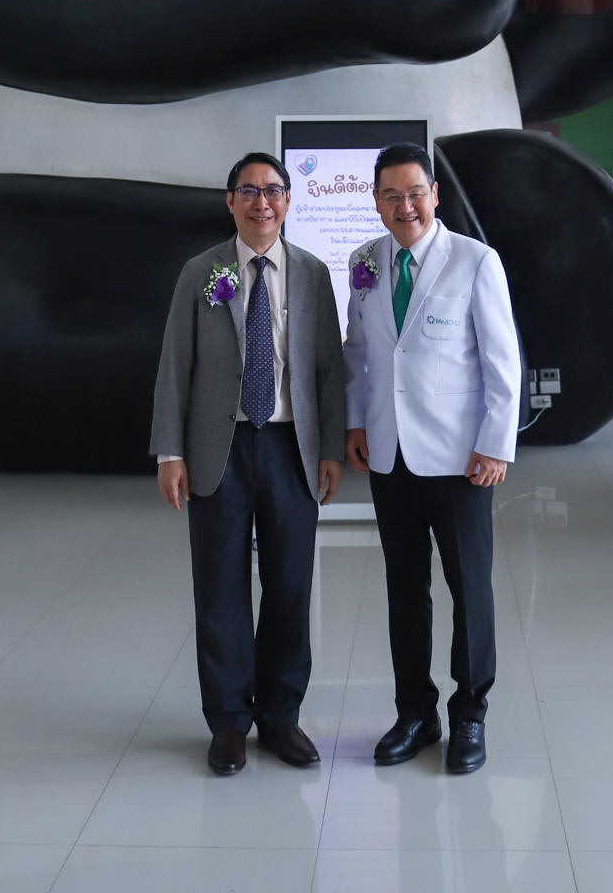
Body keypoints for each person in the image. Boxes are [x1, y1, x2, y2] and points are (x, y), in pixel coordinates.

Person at [151, 152, 345, 776]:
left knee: (290, 587)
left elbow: (328, 371)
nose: (262, 202)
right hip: (220, 448)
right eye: (249, 191)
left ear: (288, 201)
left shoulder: (313, 273)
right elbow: (175, 364)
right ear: (230, 201)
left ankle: (281, 717)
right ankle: (229, 723)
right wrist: (170, 452)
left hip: (292, 447)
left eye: (273, 190)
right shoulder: (202, 272)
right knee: (220, 590)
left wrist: (332, 448)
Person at [344, 142, 521, 776]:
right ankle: (415, 713)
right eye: (391, 195)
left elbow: (503, 359)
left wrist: (495, 442)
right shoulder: (365, 261)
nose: (405, 206)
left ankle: (469, 713)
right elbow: (358, 351)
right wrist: (356, 421)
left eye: (415, 193)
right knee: (404, 589)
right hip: (389, 453)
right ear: (376, 201)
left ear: (435, 194)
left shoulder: (474, 260)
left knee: (469, 588)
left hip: (460, 458)